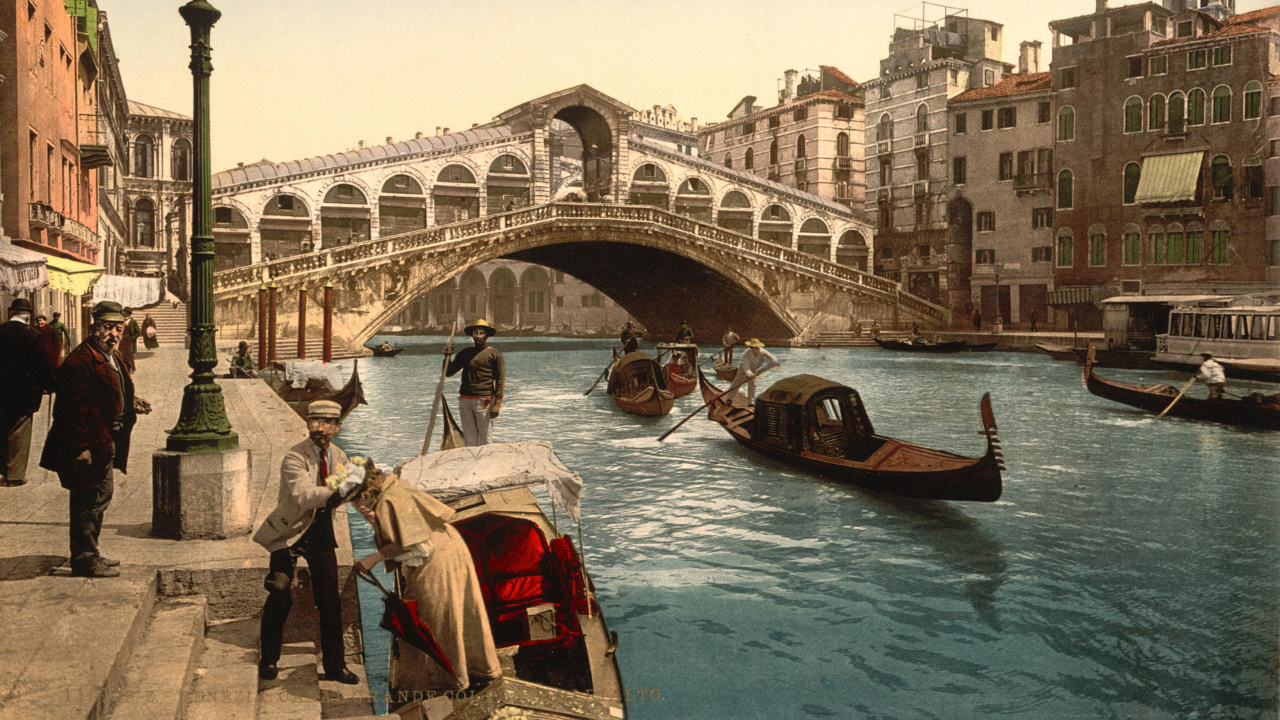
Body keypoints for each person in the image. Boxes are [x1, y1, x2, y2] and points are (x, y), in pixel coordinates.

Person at [353, 464, 501, 692]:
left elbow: (415, 546)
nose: (358, 506)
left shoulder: (388, 501)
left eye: (357, 500)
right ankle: (476, 670)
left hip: (435, 559)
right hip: (450, 548)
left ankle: (445, 683)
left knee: (432, 620)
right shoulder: (394, 490)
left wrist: (373, 558)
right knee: (460, 614)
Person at [253, 400, 365, 684]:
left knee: (330, 601)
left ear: (338, 427)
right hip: (289, 532)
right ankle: (268, 659)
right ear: (308, 424)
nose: (321, 429)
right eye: (316, 422)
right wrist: (343, 490)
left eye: (328, 423)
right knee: (279, 593)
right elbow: (304, 496)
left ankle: (335, 666)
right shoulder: (294, 457)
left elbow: (357, 495)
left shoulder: (339, 456)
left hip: (321, 532)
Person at [40, 301, 152, 578]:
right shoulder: (80, 361)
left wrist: (130, 402)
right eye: (107, 328)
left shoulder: (110, 356)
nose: (114, 334)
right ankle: (84, 558)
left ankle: (92, 551)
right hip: (90, 443)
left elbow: (109, 388)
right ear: (94, 329)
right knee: (88, 499)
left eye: (119, 328)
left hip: (105, 441)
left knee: (100, 496)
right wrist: (81, 448)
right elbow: (71, 410)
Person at [0, 299, 57, 488]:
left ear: (10, 313)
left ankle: (3, 470)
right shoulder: (34, 335)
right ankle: (15, 474)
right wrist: (51, 384)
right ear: (29, 315)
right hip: (25, 392)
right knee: (19, 431)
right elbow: (44, 363)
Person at [444, 320, 505, 446]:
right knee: (469, 437)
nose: (478, 336)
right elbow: (448, 372)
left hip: (484, 400)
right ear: (472, 336)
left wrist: (497, 404)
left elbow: (500, 380)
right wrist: (447, 357)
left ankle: (486, 464)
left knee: (485, 437)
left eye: (481, 333)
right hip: (465, 400)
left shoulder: (494, 354)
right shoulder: (465, 353)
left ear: (486, 335)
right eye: (475, 333)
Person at [725, 339, 781, 406]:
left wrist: (775, 362)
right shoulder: (747, 353)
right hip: (743, 369)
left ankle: (750, 402)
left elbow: (771, 357)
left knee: (752, 385)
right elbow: (746, 366)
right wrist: (750, 374)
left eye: (758, 348)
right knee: (737, 382)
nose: (758, 349)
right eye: (756, 348)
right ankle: (729, 399)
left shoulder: (762, 352)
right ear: (752, 349)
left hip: (753, 369)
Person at [120, 308, 140, 374]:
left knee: (129, 354)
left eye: (125, 312)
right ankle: (123, 368)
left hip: (129, 340)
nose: (123, 313)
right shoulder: (120, 320)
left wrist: (132, 338)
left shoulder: (133, 321)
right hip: (121, 339)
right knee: (120, 353)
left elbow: (138, 332)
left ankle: (132, 368)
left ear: (128, 313)